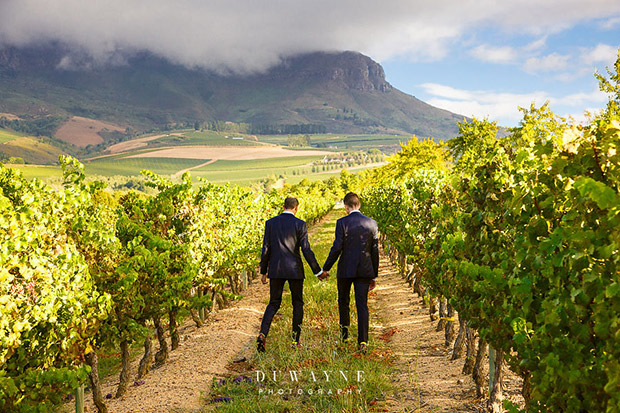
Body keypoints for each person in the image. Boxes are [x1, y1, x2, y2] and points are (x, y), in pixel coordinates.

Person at [257, 196, 325, 352]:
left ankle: (262, 334)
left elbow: (265, 249)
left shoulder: (270, 223)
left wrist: (263, 272)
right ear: (296, 208)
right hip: (294, 269)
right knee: (297, 303)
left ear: (283, 206)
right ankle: (295, 341)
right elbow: (306, 250)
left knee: (274, 303)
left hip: (276, 269)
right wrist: (318, 271)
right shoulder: (300, 224)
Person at [321, 192, 379, 354]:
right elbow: (374, 251)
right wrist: (374, 275)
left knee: (344, 302)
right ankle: (363, 341)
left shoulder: (342, 223)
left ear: (346, 207)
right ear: (358, 205)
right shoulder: (372, 223)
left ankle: (345, 335)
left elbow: (337, 247)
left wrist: (326, 268)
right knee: (362, 305)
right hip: (364, 270)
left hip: (345, 269)